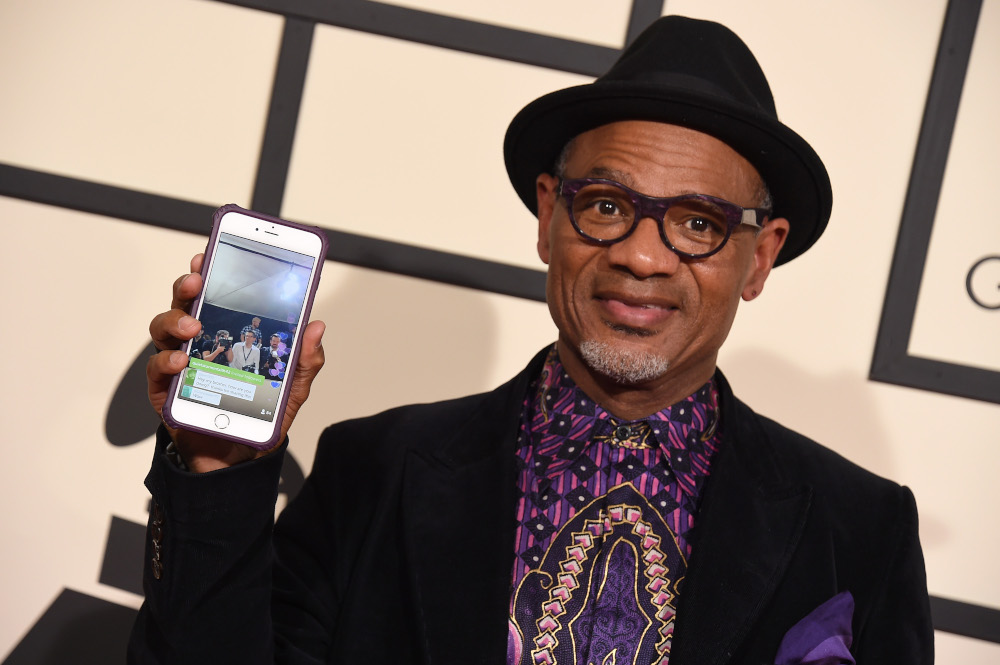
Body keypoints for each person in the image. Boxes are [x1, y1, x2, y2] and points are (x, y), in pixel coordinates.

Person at [132, 15, 932, 664]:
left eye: (698, 222)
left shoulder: (860, 529)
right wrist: (216, 470)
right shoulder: (373, 472)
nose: (642, 255)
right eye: (608, 205)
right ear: (550, 214)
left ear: (758, 256)